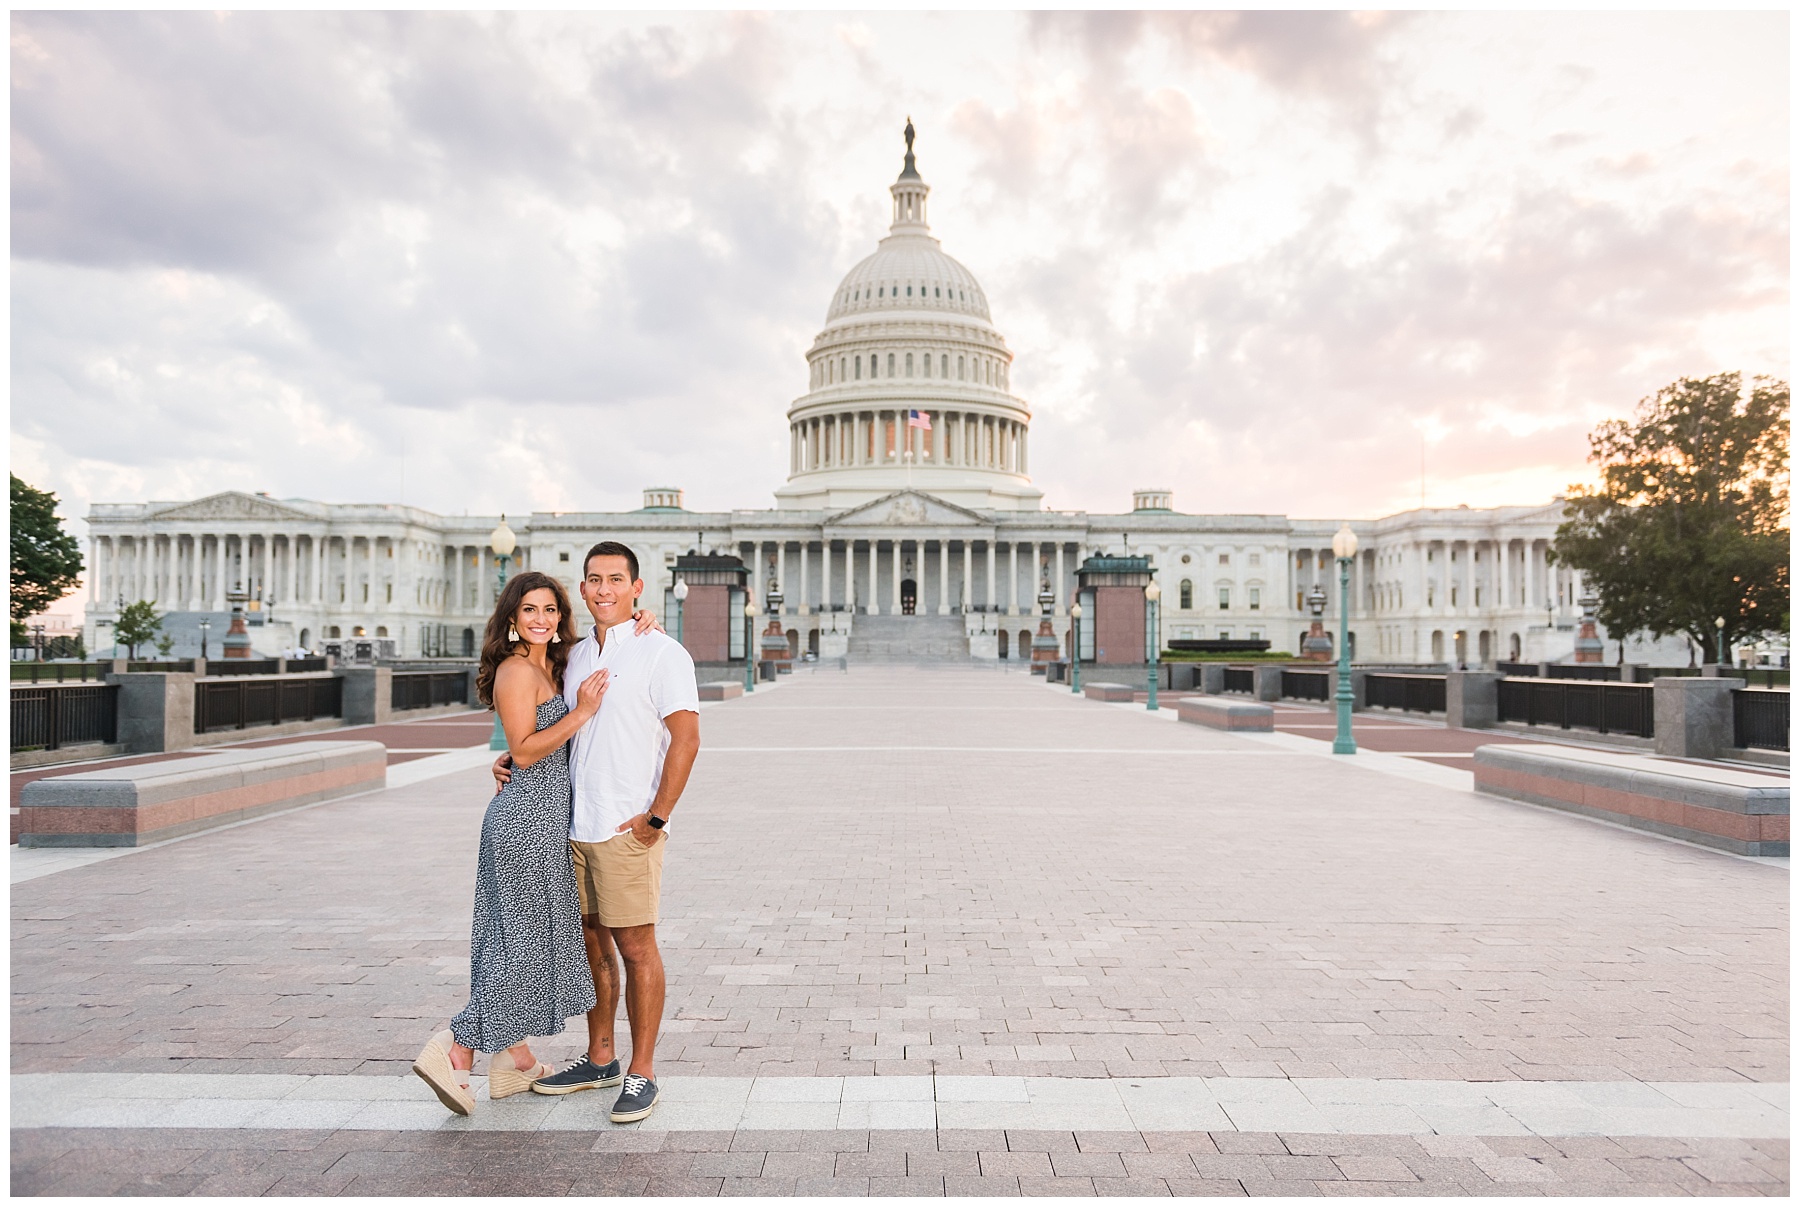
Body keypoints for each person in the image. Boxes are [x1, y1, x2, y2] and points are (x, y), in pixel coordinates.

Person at [411, 571, 657, 1116]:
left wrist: (643, 617)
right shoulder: (517, 669)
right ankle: (457, 1049)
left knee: (513, 943)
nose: (541, 619)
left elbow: (607, 644)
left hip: (547, 820)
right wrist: (582, 713)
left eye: (550, 610)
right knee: (521, 947)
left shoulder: (555, 663)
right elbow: (523, 751)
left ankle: (515, 1060)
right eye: (529, 610)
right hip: (526, 823)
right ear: (511, 618)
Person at [507, 541, 700, 1124]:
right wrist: (511, 758)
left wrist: (656, 817)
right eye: (594, 579)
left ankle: (643, 1072)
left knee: (637, 948)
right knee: (593, 946)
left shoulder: (663, 652)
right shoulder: (574, 656)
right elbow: (550, 726)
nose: (604, 589)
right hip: (574, 823)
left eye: (616, 579)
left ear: (638, 587)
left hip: (626, 826)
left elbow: (687, 739)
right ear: (583, 588)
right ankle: (600, 1058)